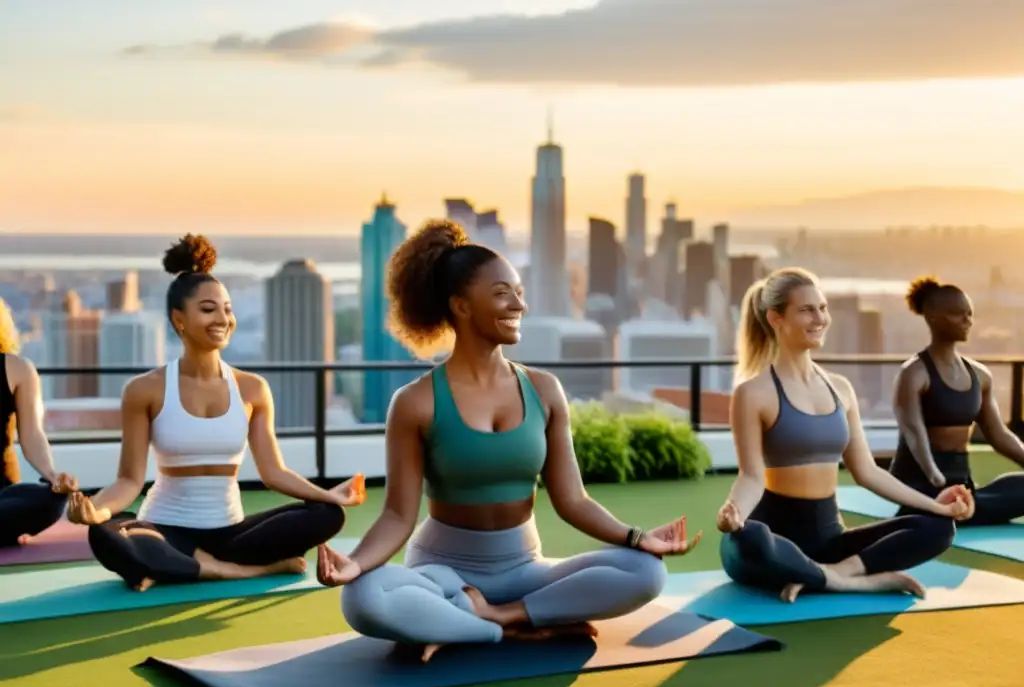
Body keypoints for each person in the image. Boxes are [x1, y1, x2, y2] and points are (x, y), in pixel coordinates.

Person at [315, 219, 699, 662]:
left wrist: (636, 538)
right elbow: (399, 516)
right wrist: (356, 564)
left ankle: (497, 617)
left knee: (646, 572)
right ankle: (511, 628)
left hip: (524, 570)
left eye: (518, 291)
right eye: (502, 293)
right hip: (443, 574)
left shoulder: (544, 390)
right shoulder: (415, 402)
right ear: (460, 305)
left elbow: (573, 500)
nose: (519, 303)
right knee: (362, 597)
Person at [66, 234, 366, 591]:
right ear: (179, 320)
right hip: (166, 529)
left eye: (227, 308)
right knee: (106, 534)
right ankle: (237, 571)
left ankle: (183, 568)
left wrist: (329, 495)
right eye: (208, 309)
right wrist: (97, 510)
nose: (222, 318)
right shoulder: (144, 390)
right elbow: (129, 480)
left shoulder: (252, 389)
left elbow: (274, 472)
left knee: (327, 515)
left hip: (231, 534)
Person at [715, 267, 974, 604]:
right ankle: (857, 582)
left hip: (830, 542)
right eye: (807, 310)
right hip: (775, 542)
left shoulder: (840, 389)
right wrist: (733, 512)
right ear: (776, 318)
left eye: (822, 308)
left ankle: (834, 574)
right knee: (749, 539)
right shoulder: (753, 392)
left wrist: (937, 507)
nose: (820, 318)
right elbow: (752, 477)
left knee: (938, 529)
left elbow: (866, 471)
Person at [889, 276, 1024, 526]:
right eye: (957, 314)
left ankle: (960, 508)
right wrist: (935, 477)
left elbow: (998, 434)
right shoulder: (914, 373)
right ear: (932, 316)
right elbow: (913, 431)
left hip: (961, 482)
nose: (967, 321)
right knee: (939, 513)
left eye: (969, 314)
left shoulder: (980, 375)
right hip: (920, 482)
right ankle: (938, 509)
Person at [0, 298, 79, 547]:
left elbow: (33, 434)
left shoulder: (18, 369)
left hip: (2, 497)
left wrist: (53, 475)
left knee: (52, 499)